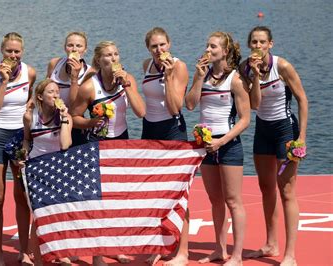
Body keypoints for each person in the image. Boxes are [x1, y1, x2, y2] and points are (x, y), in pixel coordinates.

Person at [71, 41, 146, 265]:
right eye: (107, 56)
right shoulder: (89, 87)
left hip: (121, 142)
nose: (112, 59)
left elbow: (141, 112)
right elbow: (74, 118)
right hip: (96, 144)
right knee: (99, 201)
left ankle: (116, 246)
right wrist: (92, 122)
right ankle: (97, 255)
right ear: (98, 61)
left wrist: (128, 86)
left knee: (118, 198)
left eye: (115, 54)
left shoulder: (127, 79)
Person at [241, 26, 308, 266]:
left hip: (285, 130)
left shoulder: (283, 66)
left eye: (262, 42)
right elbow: (255, 105)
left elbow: (302, 99)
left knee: (286, 190)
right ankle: (271, 244)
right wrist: (255, 75)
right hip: (263, 130)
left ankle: (290, 254)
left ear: (271, 44)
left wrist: (302, 137)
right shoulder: (246, 68)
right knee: (265, 187)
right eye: (254, 43)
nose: (257, 46)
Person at [185, 32, 250, 266]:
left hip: (228, 144)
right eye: (207, 45)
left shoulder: (236, 79)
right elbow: (190, 105)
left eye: (213, 46)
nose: (208, 49)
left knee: (233, 200)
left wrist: (222, 142)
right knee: (215, 200)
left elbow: (244, 119)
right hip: (206, 144)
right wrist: (198, 78)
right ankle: (219, 249)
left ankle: (238, 256)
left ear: (224, 52)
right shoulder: (203, 74)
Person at [0, 32, 36, 266]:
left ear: (22, 52)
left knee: (22, 196)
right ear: (1, 51)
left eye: (17, 51)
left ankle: (24, 251)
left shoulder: (30, 72)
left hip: (19, 137)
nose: (13, 55)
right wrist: (3, 81)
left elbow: (31, 104)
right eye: (9, 51)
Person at [141, 27, 190, 266]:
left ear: (169, 44)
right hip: (149, 130)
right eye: (153, 46)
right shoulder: (146, 66)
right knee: (155, 193)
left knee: (178, 193)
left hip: (172, 130)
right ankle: (160, 246)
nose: (159, 50)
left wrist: (169, 76)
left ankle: (182, 252)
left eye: (162, 45)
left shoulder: (178, 67)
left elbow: (175, 107)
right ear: (148, 49)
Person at [22, 78, 73, 265]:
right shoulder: (30, 116)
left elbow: (65, 144)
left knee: (58, 214)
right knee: (38, 217)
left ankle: (58, 253)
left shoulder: (66, 117)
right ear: (40, 97)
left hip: (57, 170)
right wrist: (23, 154)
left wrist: (65, 117)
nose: (56, 95)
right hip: (36, 170)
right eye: (51, 92)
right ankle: (38, 261)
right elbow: (27, 139)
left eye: (57, 92)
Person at [46, 31, 95, 147]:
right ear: (65, 48)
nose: (74, 49)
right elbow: (44, 90)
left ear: (85, 50)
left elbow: (74, 107)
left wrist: (74, 78)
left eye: (79, 46)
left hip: (72, 122)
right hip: (50, 120)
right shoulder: (54, 63)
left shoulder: (90, 73)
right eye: (70, 45)